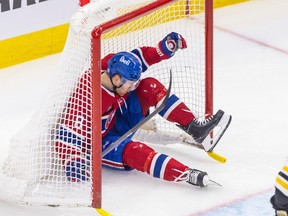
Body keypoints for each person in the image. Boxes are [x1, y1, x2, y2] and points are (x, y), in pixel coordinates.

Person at [55, 32, 232, 187]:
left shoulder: (110, 65)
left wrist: (162, 50)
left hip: (118, 116)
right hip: (101, 142)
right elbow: (66, 138)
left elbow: (138, 57)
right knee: (135, 150)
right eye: (130, 84)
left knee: (149, 86)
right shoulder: (88, 98)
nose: (133, 87)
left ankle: (195, 128)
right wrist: (74, 163)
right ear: (116, 79)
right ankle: (187, 174)